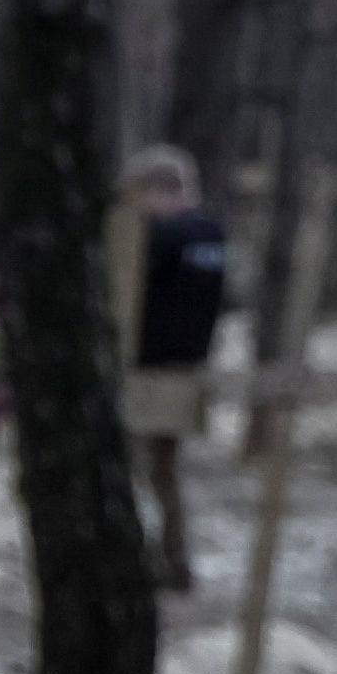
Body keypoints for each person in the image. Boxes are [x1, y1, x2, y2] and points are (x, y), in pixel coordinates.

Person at [124, 143, 229, 586]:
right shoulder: (210, 235)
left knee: (137, 469)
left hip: (148, 370)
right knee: (165, 471)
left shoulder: (159, 237)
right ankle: (173, 556)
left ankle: (149, 557)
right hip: (185, 368)